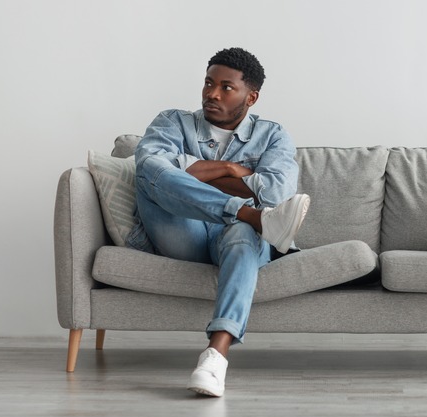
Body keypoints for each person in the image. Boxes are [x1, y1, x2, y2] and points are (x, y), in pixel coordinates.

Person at [126, 47, 310, 397]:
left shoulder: (273, 135)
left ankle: (215, 358)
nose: (212, 93)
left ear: (251, 97)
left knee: (243, 232)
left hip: (237, 239)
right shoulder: (172, 121)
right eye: (209, 83)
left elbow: (275, 193)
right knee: (151, 169)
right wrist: (231, 171)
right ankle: (251, 217)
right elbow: (151, 165)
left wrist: (191, 171)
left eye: (227, 87)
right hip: (182, 231)